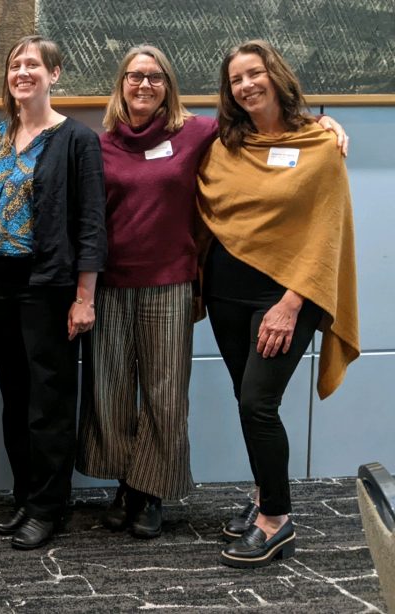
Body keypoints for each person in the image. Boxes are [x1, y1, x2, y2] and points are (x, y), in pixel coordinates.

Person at [76, 45, 350, 541]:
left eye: (155, 77)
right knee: (112, 393)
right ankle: (130, 486)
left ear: (169, 87)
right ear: (120, 85)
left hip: (190, 285)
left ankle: (169, 495)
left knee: (178, 398)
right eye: (134, 76)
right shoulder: (109, 144)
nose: (144, 85)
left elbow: (286, 140)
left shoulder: (199, 133)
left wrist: (326, 124)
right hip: (146, 285)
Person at [197, 40, 359, 568]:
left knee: (257, 404)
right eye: (236, 79)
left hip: (288, 296)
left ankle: (278, 520)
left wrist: (290, 304)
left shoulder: (319, 143)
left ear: (275, 75)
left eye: (255, 73)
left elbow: (325, 233)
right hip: (226, 292)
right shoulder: (226, 143)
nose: (246, 85)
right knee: (252, 403)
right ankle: (266, 496)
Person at [0, 35, 106, 550]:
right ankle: (26, 495)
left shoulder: (77, 140)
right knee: (14, 395)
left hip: (48, 284)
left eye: (33, 64)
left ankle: (50, 506)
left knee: (48, 400)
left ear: (54, 74)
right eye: (15, 65)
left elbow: (92, 225)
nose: (22, 72)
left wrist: (85, 296)